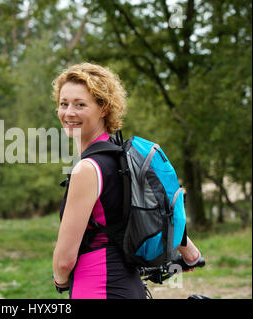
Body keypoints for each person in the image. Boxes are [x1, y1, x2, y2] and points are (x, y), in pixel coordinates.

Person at [51, 62, 203, 299]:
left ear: (103, 108)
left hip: (96, 288)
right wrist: (190, 253)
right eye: (64, 104)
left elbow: (64, 259)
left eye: (80, 104)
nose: (69, 113)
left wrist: (59, 280)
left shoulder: (87, 170)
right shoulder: (126, 158)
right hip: (130, 288)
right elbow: (159, 209)